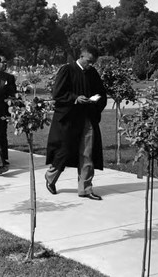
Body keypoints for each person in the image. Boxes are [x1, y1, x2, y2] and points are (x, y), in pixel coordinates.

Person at [45, 45, 107, 200]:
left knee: (87, 153)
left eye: (93, 62)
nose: (91, 64)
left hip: (87, 119)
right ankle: (50, 177)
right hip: (69, 119)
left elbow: (101, 93)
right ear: (82, 56)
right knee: (64, 152)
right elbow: (58, 93)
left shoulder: (92, 73)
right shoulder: (67, 70)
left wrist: (95, 100)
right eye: (89, 61)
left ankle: (85, 189)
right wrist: (75, 98)